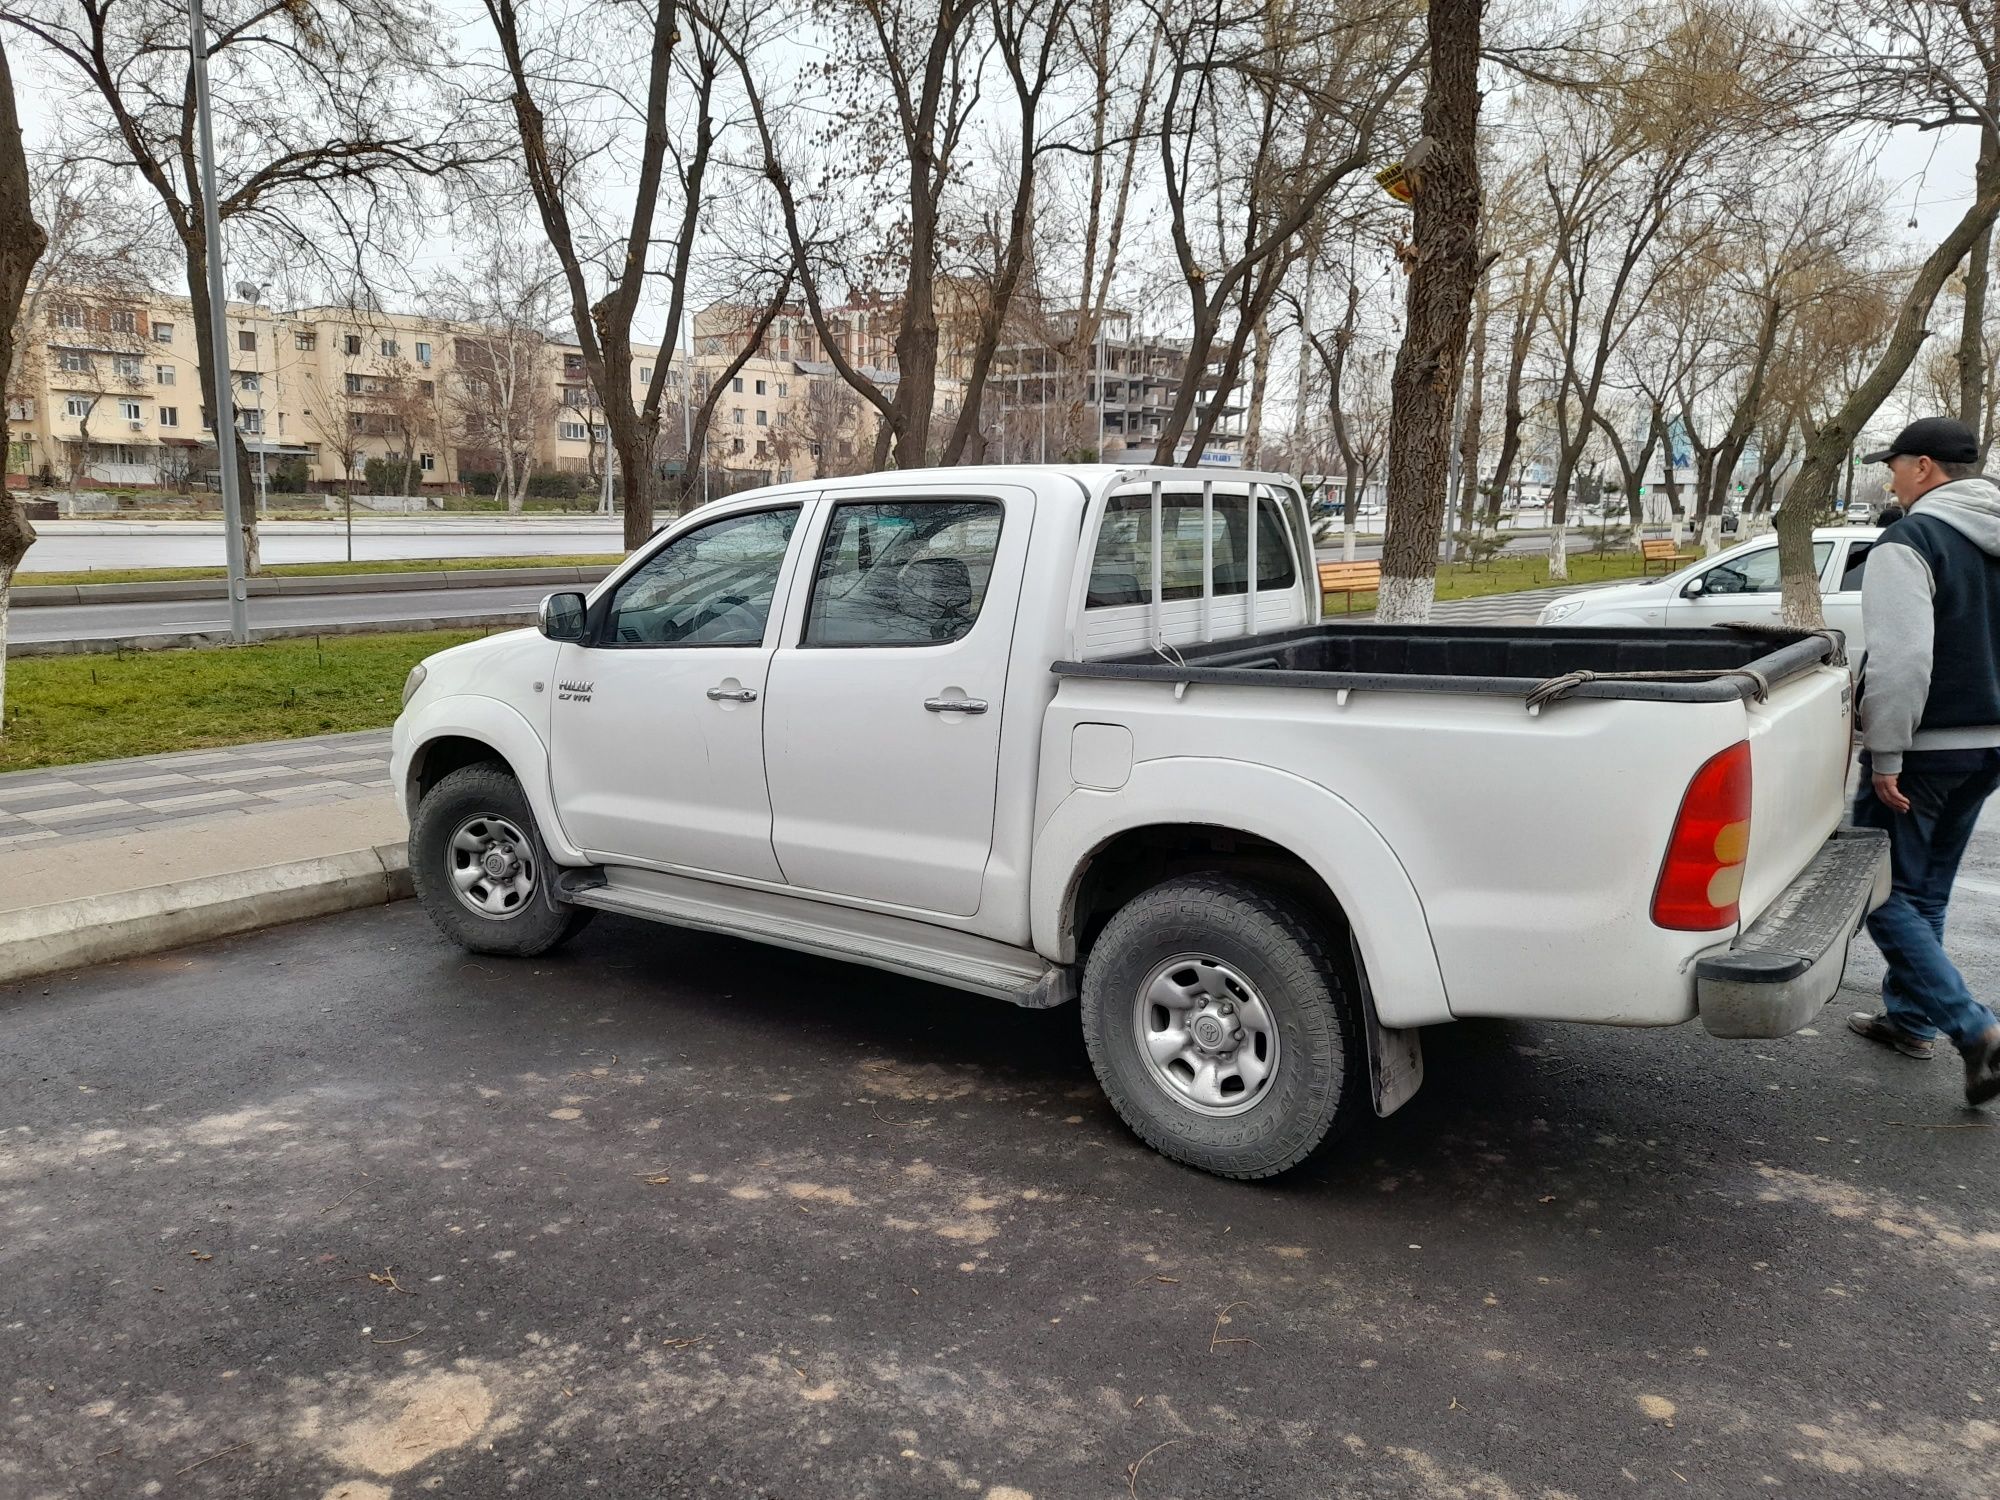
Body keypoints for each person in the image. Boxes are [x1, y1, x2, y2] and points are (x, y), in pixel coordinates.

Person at [1847, 417, 2000, 1106]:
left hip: (1925, 749)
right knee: (1926, 890)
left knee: (1875, 891)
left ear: (1927, 468)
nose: (1892, 478)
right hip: (1988, 749)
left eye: (1897, 465)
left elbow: (1904, 660)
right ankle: (1911, 1021)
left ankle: (1975, 1028)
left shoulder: (1911, 540)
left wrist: (1886, 753)